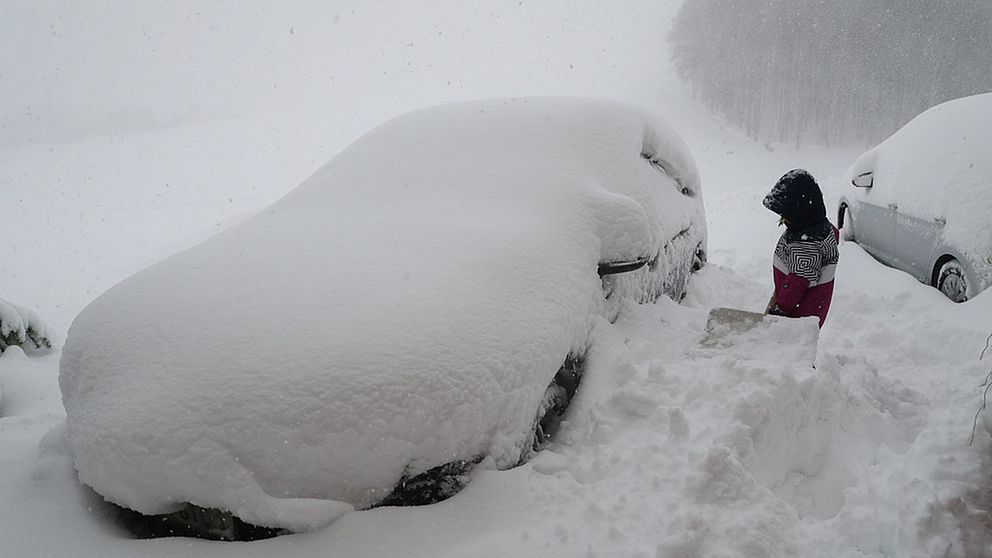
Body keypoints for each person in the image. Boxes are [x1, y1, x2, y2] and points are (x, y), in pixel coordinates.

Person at [762, 169, 839, 328]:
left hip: (799, 314)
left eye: (786, 215)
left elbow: (797, 283)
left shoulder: (806, 246)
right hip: (807, 304)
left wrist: (780, 309)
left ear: (801, 213)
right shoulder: (819, 229)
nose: (784, 219)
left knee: (787, 347)